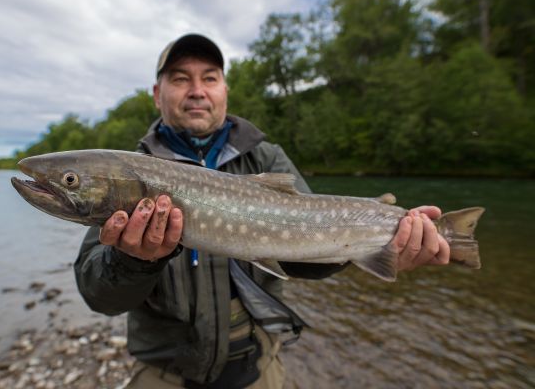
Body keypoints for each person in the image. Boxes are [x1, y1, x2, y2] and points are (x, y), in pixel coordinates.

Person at [74, 33, 450, 389]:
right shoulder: (130, 174)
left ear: (225, 90)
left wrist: (374, 246)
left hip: (259, 366)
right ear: (158, 94)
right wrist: (133, 261)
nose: (197, 90)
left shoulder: (266, 157)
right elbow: (98, 295)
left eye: (210, 78)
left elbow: (307, 255)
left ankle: (451, 235)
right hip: (165, 375)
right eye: (180, 79)